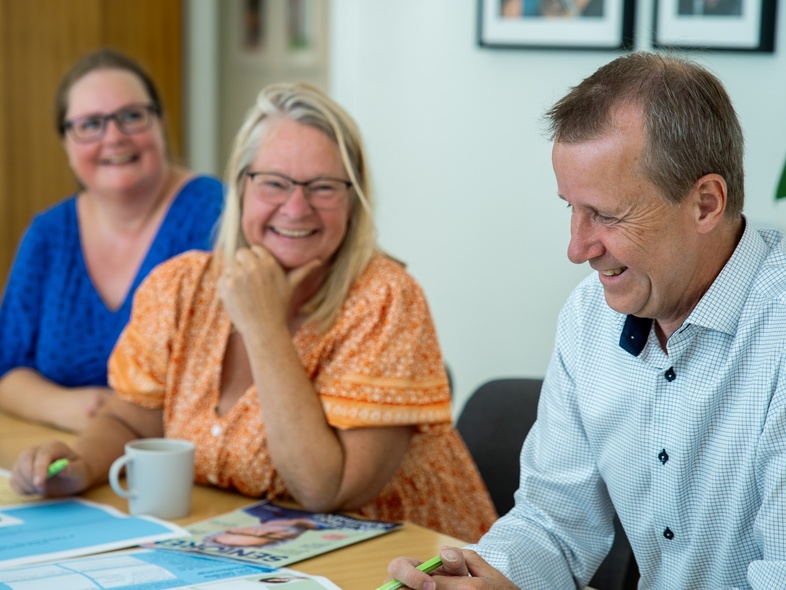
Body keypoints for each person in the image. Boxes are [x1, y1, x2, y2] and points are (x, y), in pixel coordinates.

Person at [10, 82, 497, 543]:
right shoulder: (181, 284)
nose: (296, 207)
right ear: (240, 186)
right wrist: (75, 465)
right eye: (273, 183)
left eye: (323, 187)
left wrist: (263, 325)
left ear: (354, 199)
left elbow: (326, 490)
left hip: (409, 568)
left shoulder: (386, 299)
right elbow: (131, 422)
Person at [386, 52, 786, 589]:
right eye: (569, 208)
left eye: (606, 215)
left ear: (706, 204)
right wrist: (488, 577)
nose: (576, 248)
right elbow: (552, 522)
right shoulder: (589, 314)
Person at [0, 48, 223, 433]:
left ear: (161, 123)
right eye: (89, 124)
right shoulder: (48, 234)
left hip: (184, 465)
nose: (114, 138)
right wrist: (66, 408)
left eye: (132, 116)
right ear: (66, 144)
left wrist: (122, 420)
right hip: (65, 454)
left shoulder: (217, 215)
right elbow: (6, 367)